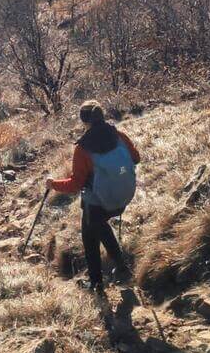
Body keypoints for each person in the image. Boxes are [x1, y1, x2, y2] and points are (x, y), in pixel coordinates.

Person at [46, 101, 140, 291]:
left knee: (90, 233)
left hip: (99, 203)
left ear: (84, 121)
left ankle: (97, 282)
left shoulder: (83, 149)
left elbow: (75, 185)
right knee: (98, 226)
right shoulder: (119, 136)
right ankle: (121, 268)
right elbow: (136, 158)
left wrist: (53, 184)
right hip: (123, 196)